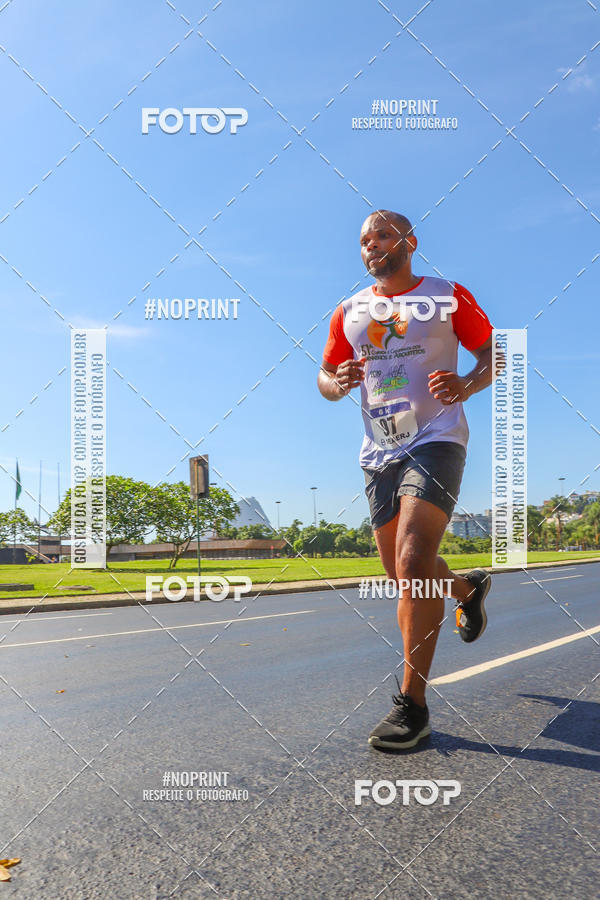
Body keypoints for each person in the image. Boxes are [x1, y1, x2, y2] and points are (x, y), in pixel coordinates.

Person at [317, 210, 494, 749]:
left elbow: (495, 353)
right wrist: (338, 380)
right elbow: (324, 378)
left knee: (415, 563)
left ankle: (411, 706)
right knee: (402, 574)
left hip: (437, 439)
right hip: (378, 452)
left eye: (383, 236)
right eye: (364, 240)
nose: (372, 245)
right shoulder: (349, 311)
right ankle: (466, 588)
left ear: (410, 242)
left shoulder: (446, 295)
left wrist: (466, 384)